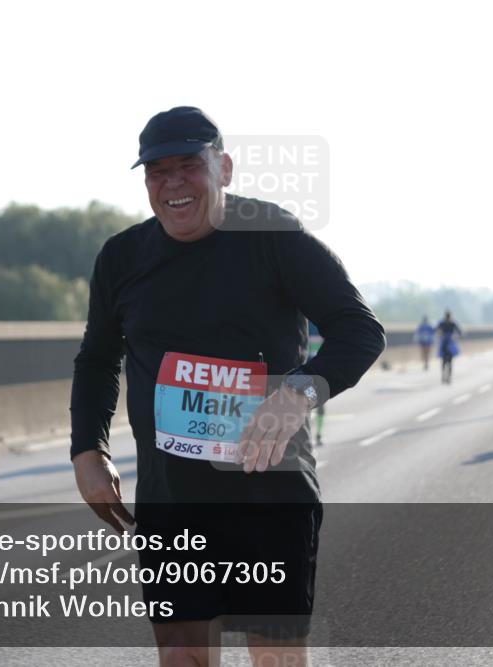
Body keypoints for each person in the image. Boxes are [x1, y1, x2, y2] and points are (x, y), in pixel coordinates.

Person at [70, 106, 385, 667]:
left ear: (225, 167)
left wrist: (298, 394)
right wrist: (88, 449)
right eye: (156, 171)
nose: (173, 184)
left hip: (269, 496)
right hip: (172, 503)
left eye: (188, 166)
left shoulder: (274, 238)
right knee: (183, 658)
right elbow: (97, 358)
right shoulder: (122, 257)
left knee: (276, 660)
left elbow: (360, 331)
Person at [307, 320, 325, 447]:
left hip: (317, 373)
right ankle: (315, 435)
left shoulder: (322, 322)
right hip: (306, 373)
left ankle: (318, 435)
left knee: (318, 405)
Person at [436, 311, 462, 384]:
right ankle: (448, 376)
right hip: (449, 343)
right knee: (449, 362)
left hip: (445, 342)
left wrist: (440, 334)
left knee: (444, 361)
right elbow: (460, 332)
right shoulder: (452, 323)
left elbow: (436, 329)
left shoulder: (442, 323)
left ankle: (444, 375)